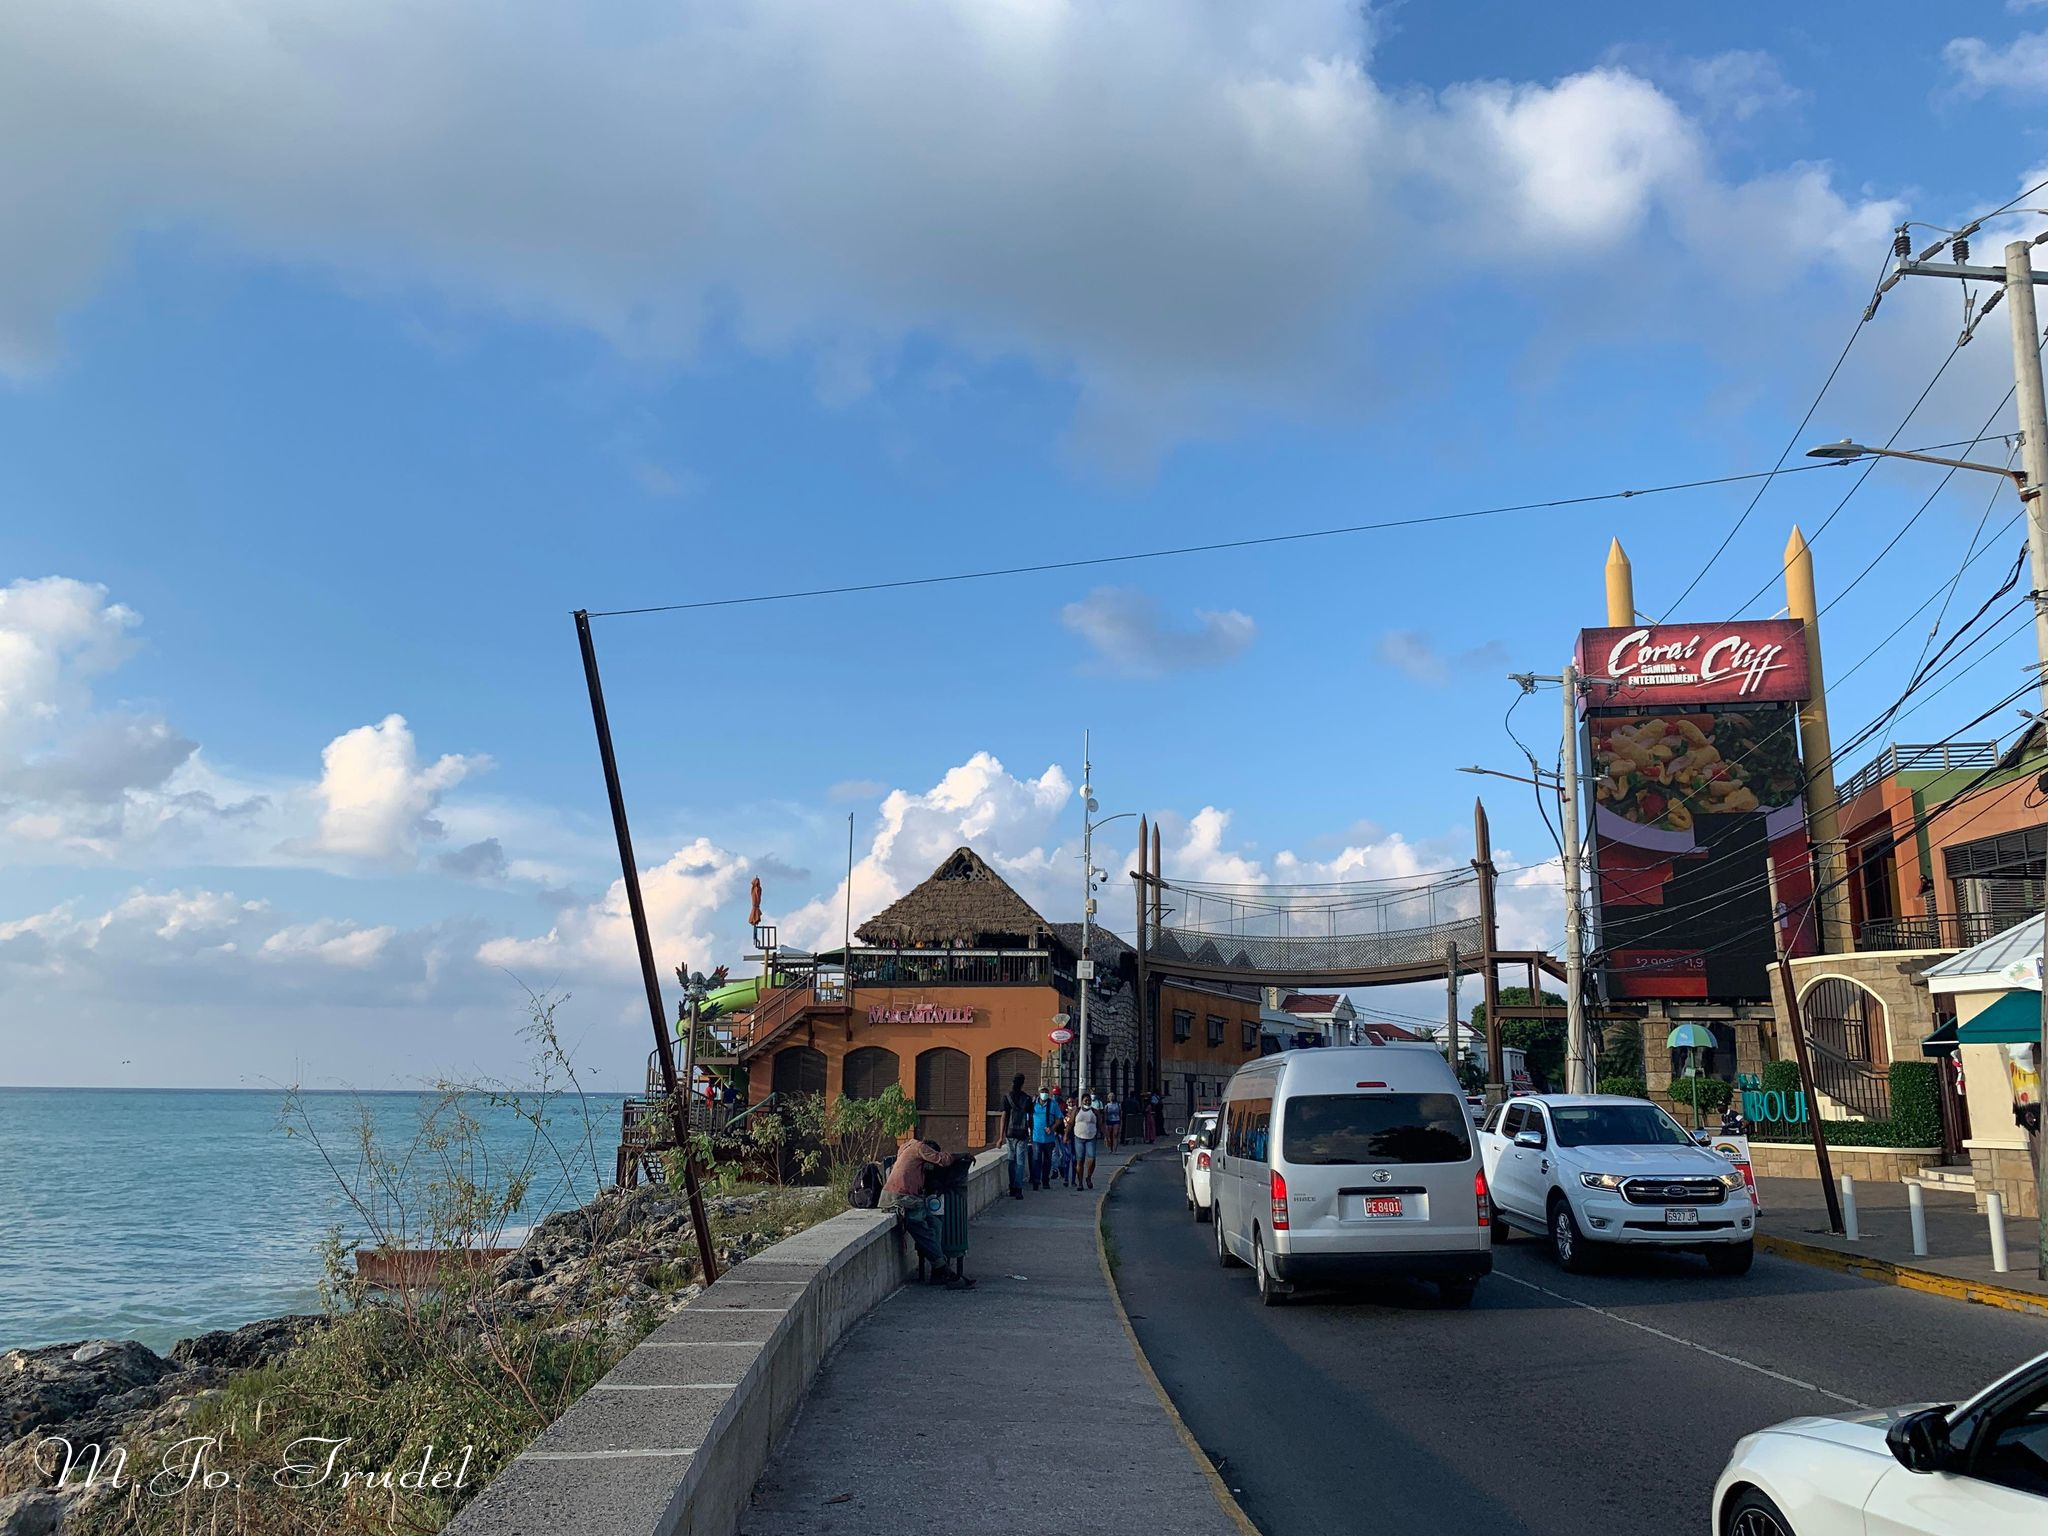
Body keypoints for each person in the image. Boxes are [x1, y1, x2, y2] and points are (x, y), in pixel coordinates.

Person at [882, 1133, 972, 1287]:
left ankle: (938, 1272)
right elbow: (943, 1160)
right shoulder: (919, 1148)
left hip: (909, 1198)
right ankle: (943, 1268)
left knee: (935, 1224)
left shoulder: (906, 1147)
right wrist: (962, 1155)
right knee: (924, 1231)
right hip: (901, 1198)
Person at [1001, 1073, 1034, 1199]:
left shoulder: (1007, 1097)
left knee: (1011, 1160)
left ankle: (1012, 1187)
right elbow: (1030, 1119)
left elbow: (1004, 1117)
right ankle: (1019, 1188)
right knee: (1020, 1162)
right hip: (1022, 1133)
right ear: (1023, 1083)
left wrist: (1000, 1137)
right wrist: (1032, 1134)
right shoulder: (1027, 1098)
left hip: (1010, 1133)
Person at [1071, 1093, 1102, 1190]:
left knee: (1092, 1159)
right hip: (1078, 1138)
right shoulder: (1077, 1110)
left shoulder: (1095, 1112)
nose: (1087, 1102)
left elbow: (1101, 1124)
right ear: (1082, 1101)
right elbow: (1070, 1123)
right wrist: (1066, 1135)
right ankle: (1080, 1183)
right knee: (1080, 1160)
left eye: (1089, 1100)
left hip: (1091, 1138)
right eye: (1085, 1100)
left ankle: (1088, 1177)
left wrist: (1106, 1137)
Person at [1030, 1088, 1058, 1190]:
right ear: (1039, 1093)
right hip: (1036, 1138)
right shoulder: (1034, 1104)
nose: (1044, 1094)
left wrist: (1052, 1128)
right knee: (1036, 1159)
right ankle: (1036, 1181)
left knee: (1047, 1161)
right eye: (1042, 1092)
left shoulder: (1053, 1104)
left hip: (1049, 1139)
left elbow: (1059, 1118)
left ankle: (1045, 1181)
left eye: (1046, 1092)